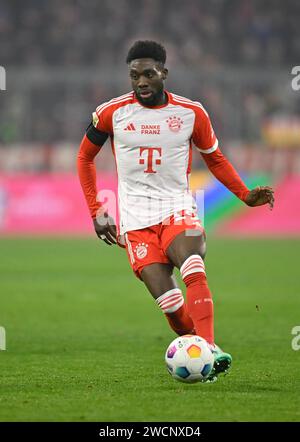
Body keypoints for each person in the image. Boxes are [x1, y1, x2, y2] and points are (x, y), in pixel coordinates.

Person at [77, 40, 274, 382]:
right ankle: (198, 352)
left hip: (178, 208)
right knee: (169, 303)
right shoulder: (112, 113)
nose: (141, 82)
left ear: (164, 73)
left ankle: (209, 350)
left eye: (149, 74)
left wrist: (243, 194)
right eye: (134, 75)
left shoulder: (191, 113)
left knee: (193, 264)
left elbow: (214, 157)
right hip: (137, 221)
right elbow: (84, 158)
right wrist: (97, 210)